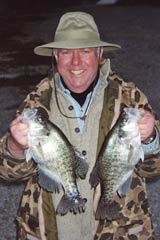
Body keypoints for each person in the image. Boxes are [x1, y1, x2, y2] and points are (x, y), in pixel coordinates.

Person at [0, 11, 160, 240]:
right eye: (66, 52)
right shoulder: (37, 102)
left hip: (118, 231)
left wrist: (150, 139)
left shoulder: (129, 98)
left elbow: (153, 169)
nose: (76, 62)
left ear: (99, 53)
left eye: (85, 51)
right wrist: (15, 146)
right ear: (56, 55)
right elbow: (6, 173)